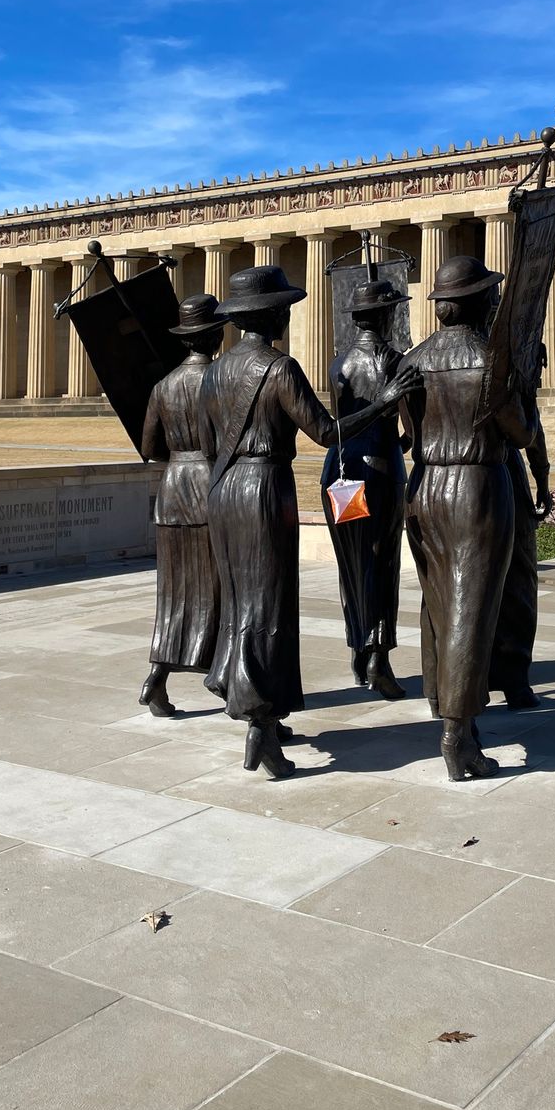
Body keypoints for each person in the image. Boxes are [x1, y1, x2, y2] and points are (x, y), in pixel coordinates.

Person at [200, 265, 414, 779]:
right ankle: (260, 725)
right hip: (262, 488)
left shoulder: (215, 372)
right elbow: (324, 431)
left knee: (240, 599)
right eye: (285, 309)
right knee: (268, 603)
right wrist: (383, 403)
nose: (290, 317)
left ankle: (258, 709)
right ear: (271, 314)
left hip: (224, 490)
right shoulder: (279, 368)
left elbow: (210, 447)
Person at [399, 254, 537, 782]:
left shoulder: (412, 362)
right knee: (472, 610)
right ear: (481, 303)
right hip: (477, 486)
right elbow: (520, 434)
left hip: (426, 485)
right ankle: (457, 735)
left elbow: (410, 432)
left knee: (439, 605)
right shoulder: (490, 362)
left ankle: (448, 708)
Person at [320, 278, 411, 701]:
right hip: (380, 472)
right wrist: (404, 442)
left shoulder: (337, 364)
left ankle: (358, 651)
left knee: (351, 565)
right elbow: (409, 430)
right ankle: (379, 659)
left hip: (340, 476)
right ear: (384, 315)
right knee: (382, 563)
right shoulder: (396, 362)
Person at [138, 294, 225, 717]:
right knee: (221, 591)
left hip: (173, 492)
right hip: (212, 489)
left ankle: (157, 677)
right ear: (217, 335)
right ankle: (224, 678)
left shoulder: (163, 386)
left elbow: (149, 448)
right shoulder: (223, 381)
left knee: (173, 595)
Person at [489, 346, 550, 710]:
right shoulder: (501, 362)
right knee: (517, 580)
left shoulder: (421, 359)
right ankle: (514, 681)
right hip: (501, 470)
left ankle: (454, 688)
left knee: (452, 591)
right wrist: (542, 479)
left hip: (438, 477)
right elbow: (529, 429)